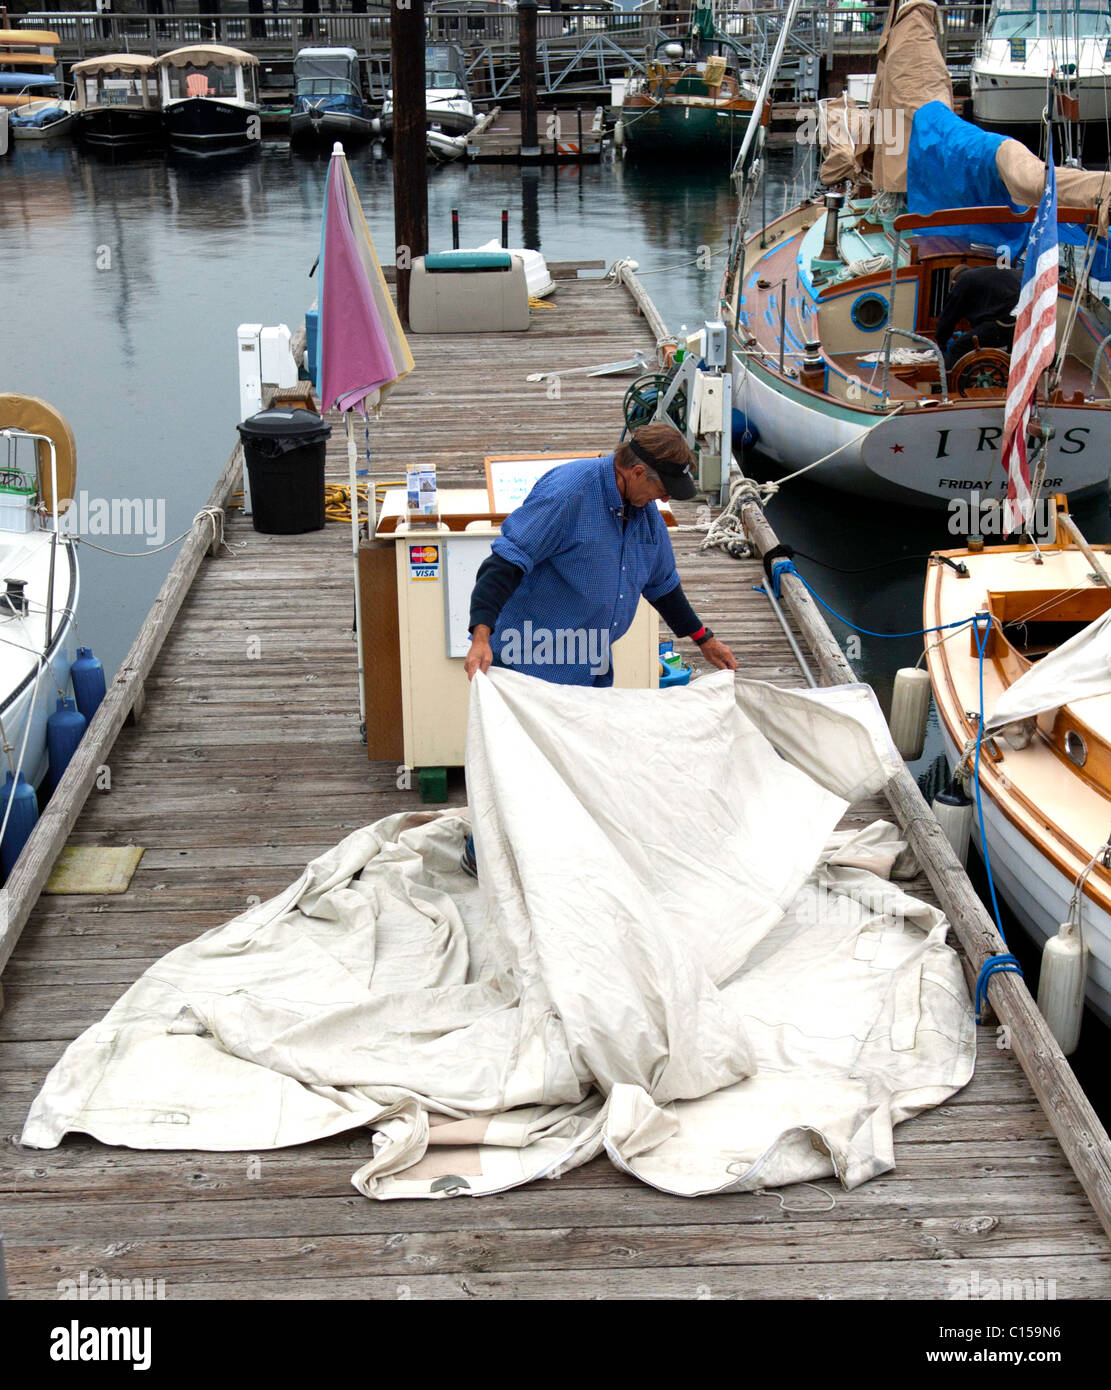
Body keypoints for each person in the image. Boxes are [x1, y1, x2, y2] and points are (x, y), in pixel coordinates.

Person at [459, 423, 738, 876]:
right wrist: (481, 635)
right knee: (518, 761)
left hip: (589, 657)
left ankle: (555, 849)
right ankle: (483, 853)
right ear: (634, 470)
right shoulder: (568, 493)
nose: (664, 499)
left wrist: (704, 639)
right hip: (533, 652)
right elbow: (505, 562)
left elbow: (662, 586)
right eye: (661, 487)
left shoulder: (644, 513)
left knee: (577, 757)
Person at [935, 262, 1022, 370]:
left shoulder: (964, 280)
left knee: (957, 348)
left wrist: (941, 340)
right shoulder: (984, 274)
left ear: (954, 282)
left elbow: (949, 316)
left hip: (1002, 324)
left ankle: (951, 386)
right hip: (1022, 321)